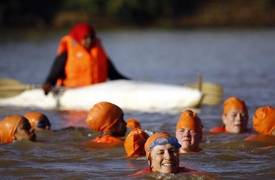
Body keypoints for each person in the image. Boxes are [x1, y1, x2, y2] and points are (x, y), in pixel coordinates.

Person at [42, 22, 129, 95]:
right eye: (85, 38)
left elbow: (113, 74)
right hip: (73, 92)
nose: (89, 41)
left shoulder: (98, 52)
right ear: (78, 38)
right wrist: (48, 84)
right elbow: (54, 74)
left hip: (97, 92)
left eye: (91, 37)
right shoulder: (67, 52)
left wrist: (131, 83)